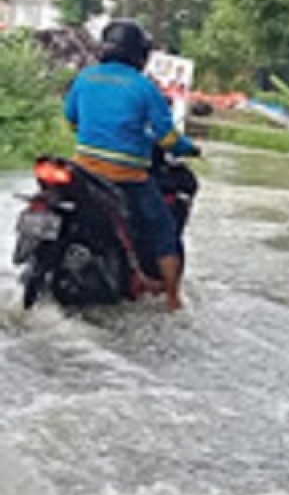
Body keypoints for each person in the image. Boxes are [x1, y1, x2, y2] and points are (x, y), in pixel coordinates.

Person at [63, 19, 199, 311]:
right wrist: (190, 148)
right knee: (163, 229)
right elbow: (167, 137)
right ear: (139, 54)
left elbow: (71, 118)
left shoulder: (85, 78)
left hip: (83, 171)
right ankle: (174, 299)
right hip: (126, 175)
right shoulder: (144, 88)